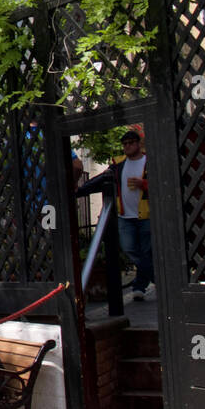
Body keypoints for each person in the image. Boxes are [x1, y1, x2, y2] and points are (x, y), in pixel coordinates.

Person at [77, 128, 152, 301]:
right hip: (125, 216)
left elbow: (162, 182)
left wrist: (144, 184)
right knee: (129, 249)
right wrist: (79, 191)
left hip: (146, 214)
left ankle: (139, 286)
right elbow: (100, 180)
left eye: (130, 143)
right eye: (124, 144)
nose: (127, 146)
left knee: (146, 252)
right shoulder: (118, 165)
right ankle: (155, 277)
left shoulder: (149, 162)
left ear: (138, 144)